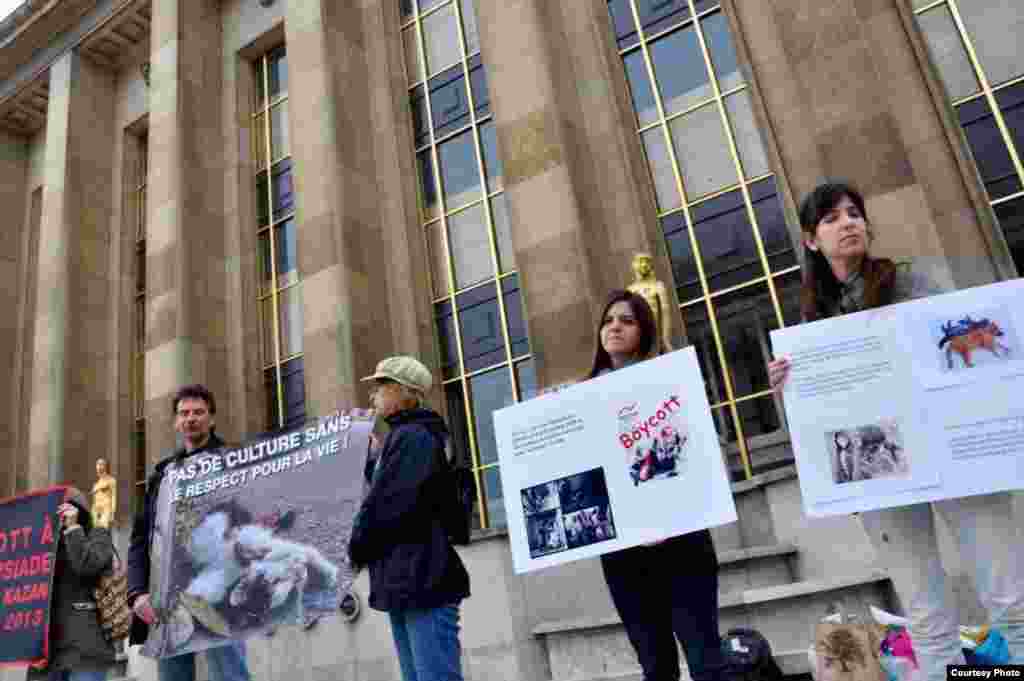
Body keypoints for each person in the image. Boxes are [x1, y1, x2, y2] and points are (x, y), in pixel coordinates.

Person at [767, 181, 1024, 681]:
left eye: (854, 213)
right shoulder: (812, 318)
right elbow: (826, 417)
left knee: (1010, 600)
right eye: (831, 218)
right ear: (812, 240)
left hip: (953, 454)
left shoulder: (909, 281)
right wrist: (789, 387)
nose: (848, 223)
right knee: (927, 619)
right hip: (882, 469)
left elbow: (963, 356)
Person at [588, 289, 724, 681]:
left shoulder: (672, 382)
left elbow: (700, 453)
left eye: (627, 320)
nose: (615, 327)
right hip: (625, 555)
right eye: (608, 320)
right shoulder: (582, 397)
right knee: (655, 665)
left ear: (645, 330)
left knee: (705, 659)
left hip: (682, 542)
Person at [348, 356, 470, 681]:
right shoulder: (411, 435)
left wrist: (354, 547)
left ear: (403, 391)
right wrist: (374, 462)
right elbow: (400, 496)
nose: (374, 395)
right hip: (409, 581)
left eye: (381, 386)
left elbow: (388, 505)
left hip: (422, 579)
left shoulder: (414, 436)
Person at [127, 384, 251, 681]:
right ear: (175, 421)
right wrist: (137, 592)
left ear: (212, 418)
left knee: (229, 674)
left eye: (198, 412)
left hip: (218, 592)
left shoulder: (234, 463)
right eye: (184, 413)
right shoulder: (162, 475)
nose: (191, 418)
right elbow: (141, 537)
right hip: (168, 596)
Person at [29, 488, 117, 681]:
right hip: (45, 655)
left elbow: (87, 566)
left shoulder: (97, 536)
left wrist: (73, 528)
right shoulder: (38, 547)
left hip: (85, 651)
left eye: (67, 510)